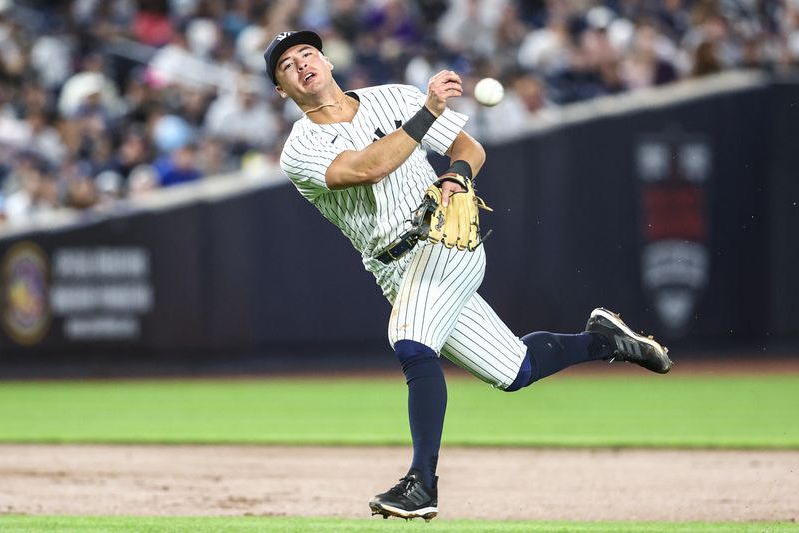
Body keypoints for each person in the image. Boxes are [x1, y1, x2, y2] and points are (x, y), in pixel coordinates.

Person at [266, 30, 672, 522]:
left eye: (307, 52)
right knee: (514, 370)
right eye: (286, 64)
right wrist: (427, 112)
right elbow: (369, 167)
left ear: (327, 60)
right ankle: (604, 341)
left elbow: (469, 148)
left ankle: (421, 483)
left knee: (410, 339)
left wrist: (457, 174)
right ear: (283, 90)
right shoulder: (300, 148)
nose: (302, 63)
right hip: (392, 268)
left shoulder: (393, 96)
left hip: (446, 240)